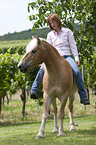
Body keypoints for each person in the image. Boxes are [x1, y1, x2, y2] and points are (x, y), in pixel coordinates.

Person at [30, 13, 90, 105]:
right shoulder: (50, 35)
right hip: (55, 58)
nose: (52, 24)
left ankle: (83, 96)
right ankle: (34, 90)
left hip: (67, 56)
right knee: (42, 70)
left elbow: (73, 45)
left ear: (58, 21)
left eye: (53, 22)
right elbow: (48, 49)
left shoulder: (67, 32)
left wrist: (76, 57)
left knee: (77, 71)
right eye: (50, 23)